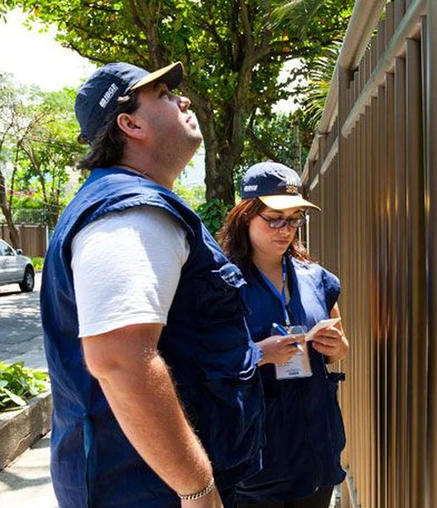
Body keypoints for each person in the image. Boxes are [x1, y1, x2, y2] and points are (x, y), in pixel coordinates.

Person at [40, 62, 273, 508]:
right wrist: (198, 490)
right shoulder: (130, 211)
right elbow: (119, 359)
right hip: (150, 491)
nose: (183, 100)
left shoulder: (130, 203)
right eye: (164, 94)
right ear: (130, 124)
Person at [218, 162, 349, 508]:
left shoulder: (315, 278)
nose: (285, 229)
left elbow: (340, 347)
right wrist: (260, 353)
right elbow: (207, 363)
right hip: (258, 461)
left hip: (317, 452)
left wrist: (335, 346)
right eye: (274, 218)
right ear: (246, 216)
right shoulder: (221, 283)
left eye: (294, 219)